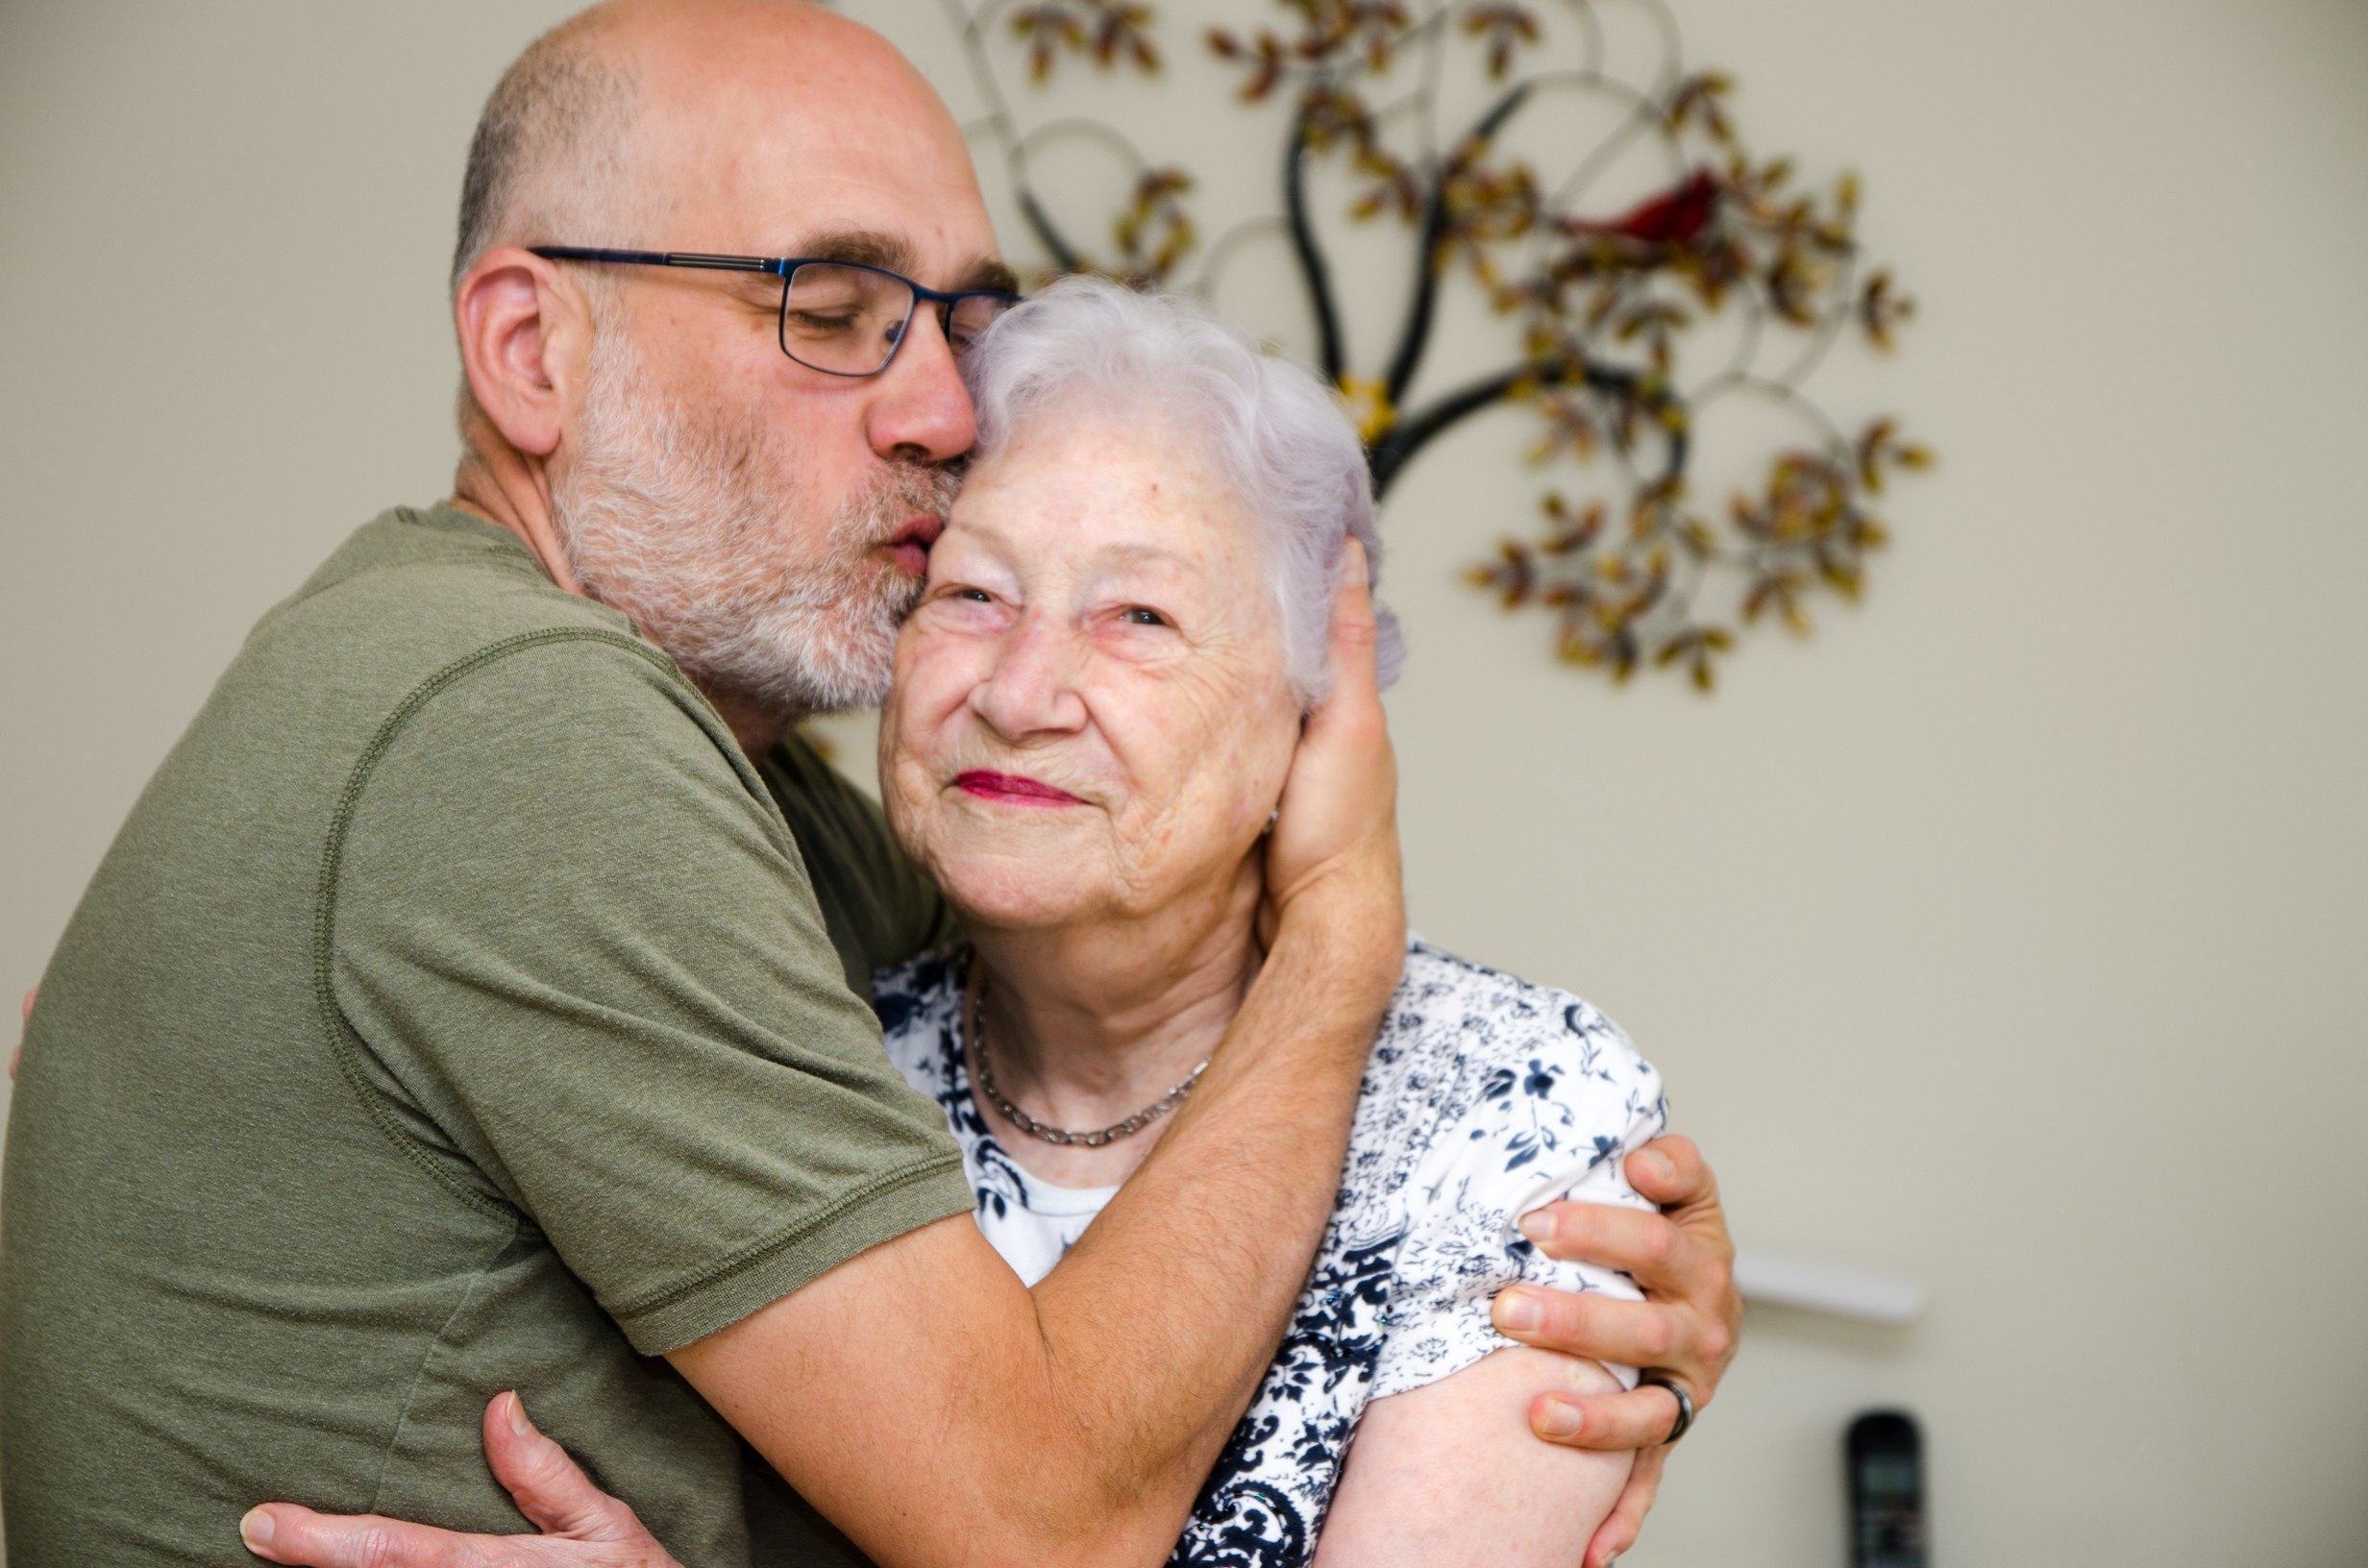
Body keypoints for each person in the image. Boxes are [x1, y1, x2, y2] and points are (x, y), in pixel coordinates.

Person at [0, 5, 1739, 1567]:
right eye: (830, 311)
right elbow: (1043, 1526)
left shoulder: (784, 812)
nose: (934, 407)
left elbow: (1106, 964)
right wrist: (1347, 931)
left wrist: (1588, 1233)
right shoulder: (522, 727)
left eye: (957, 327)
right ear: (530, 350)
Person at [242, 275, 1695, 1568]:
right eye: (971, 593)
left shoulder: (1511, 1111)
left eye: (1138, 619)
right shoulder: (820, 1048)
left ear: (1317, 723)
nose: (1017, 691)